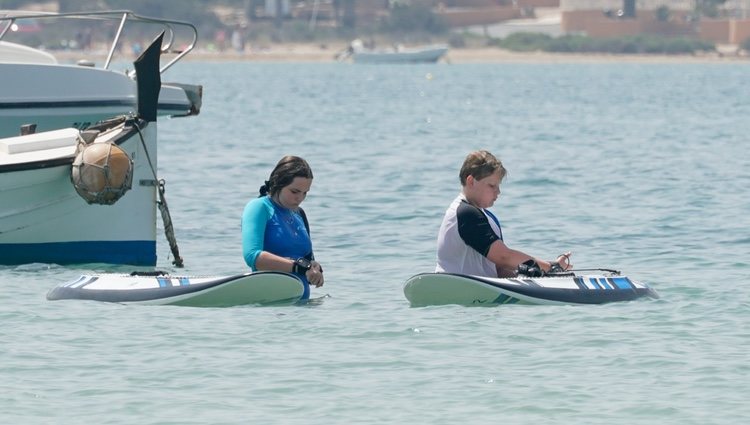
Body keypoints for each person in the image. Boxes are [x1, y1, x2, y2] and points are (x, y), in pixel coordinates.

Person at [436, 150, 572, 278]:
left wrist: (539, 273)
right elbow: (503, 257)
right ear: (471, 181)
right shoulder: (465, 213)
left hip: (479, 293)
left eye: (498, 186)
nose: (498, 192)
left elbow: (499, 269)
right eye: (492, 186)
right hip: (454, 287)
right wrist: (551, 267)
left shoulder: (488, 218)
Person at [242, 156, 324, 300]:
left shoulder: (300, 214)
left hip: (302, 311)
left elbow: (307, 260)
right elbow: (253, 256)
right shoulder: (259, 207)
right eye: (294, 191)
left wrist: (315, 269)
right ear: (279, 184)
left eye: (305, 192)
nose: (300, 198)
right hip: (268, 307)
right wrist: (297, 267)